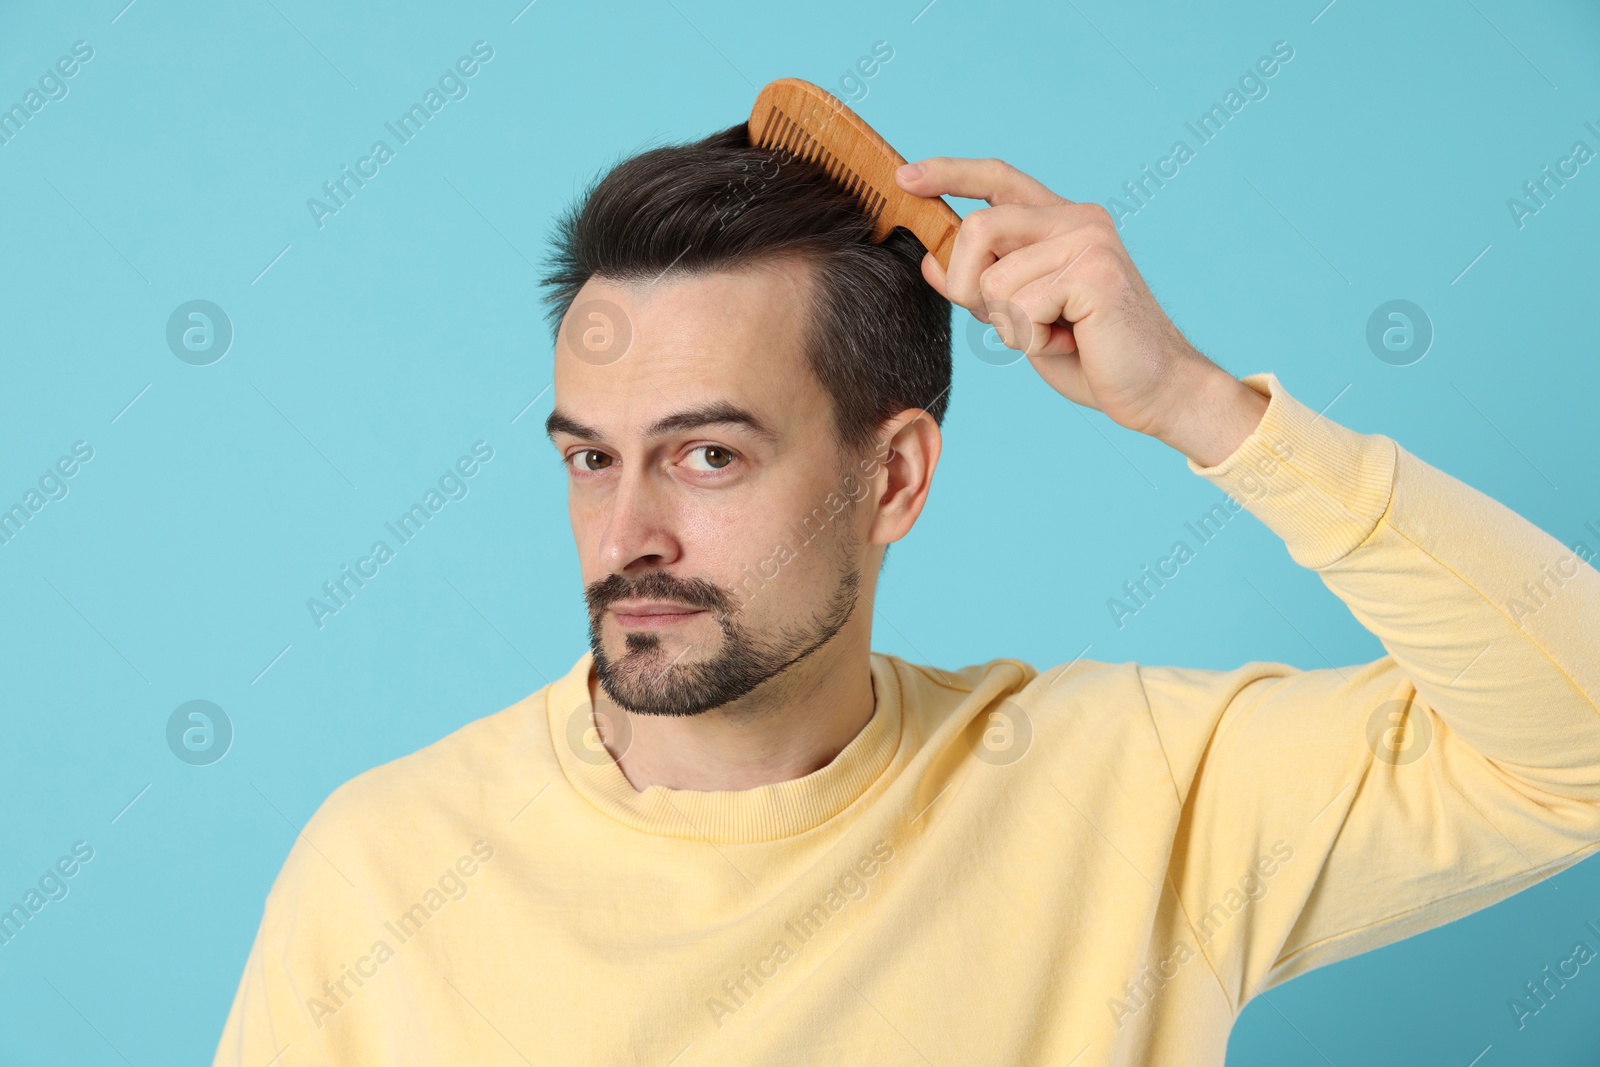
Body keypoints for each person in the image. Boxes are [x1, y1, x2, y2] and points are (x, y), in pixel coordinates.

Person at [212, 123, 1600, 1067]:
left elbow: (1578, 745)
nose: (625, 531)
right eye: (590, 456)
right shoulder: (386, 868)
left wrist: (1194, 403)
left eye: (706, 454)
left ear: (893, 479)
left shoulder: (1132, 794)